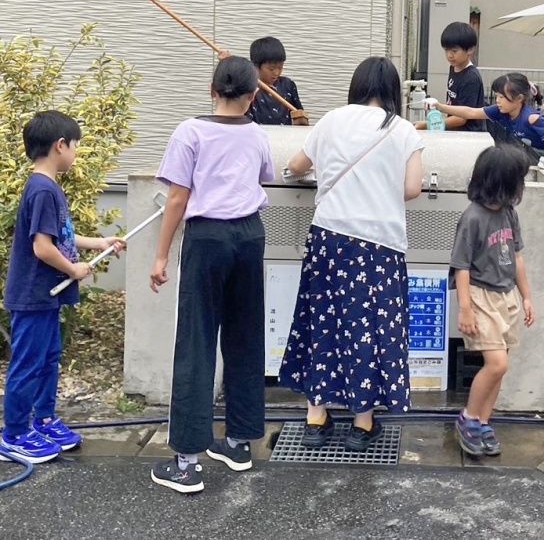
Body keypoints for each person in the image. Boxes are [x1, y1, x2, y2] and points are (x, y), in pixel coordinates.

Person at [280, 56, 424, 452]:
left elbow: (296, 165)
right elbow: (412, 188)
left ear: (356, 86)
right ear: (392, 90)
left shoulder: (331, 120)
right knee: (370, 329)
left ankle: (315, 419)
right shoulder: (402, 129)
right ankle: (362, 424)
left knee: (322, 322)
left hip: (329, 237)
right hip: (379, 245)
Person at [149, 56, 275, 494]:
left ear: (211, 90)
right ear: (253, 96)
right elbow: (262, 177)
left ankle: (186, 463)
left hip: (207, 237)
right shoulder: (257, 133)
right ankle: (239, 443)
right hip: (250, 234)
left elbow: (177, 198)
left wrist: (161, 256)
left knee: (197, 340)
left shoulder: (190, 132)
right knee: (244, 336)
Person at [0, 111, 124, 464]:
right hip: (34, 295)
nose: (76, 153)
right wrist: (74, 269)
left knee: (48, 358)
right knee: (29, 362)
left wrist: (98, 244)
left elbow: (61, 236)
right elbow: (42, 247)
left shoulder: (48, 187)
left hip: (45, 296)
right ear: (59, 145)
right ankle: (14, 435)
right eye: (75, 146)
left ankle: (43, 420)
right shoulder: (42, 190)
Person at [450, 144, 535, 456]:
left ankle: (484, 421)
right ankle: (469, 418)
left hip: (506, 295)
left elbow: (517, 257)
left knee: (500, 366)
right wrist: (465, 309)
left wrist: (526, 297)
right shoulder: (472, 218)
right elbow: (460, 266)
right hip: (481, 295)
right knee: (497, 363)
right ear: (503, 181)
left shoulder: (509, 214)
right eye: (519, 180)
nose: (521, 186)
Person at [427, 73, 544, 180]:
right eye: (496, 96)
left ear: (519, 98)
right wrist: (440, 107)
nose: (497, 100)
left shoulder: (531, 118)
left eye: (502, 97)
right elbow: (471, 112)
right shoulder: (500, 111)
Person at [414, 22, 486, 131]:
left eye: (454, 51)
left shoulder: (471, 78)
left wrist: (427, 125)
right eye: (446, 50)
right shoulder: (453, 67)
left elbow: (462, 118)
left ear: (470, 50)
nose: (449, 55)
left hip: (469, 134)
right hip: (455, 130)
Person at [247, 36, 305, 125]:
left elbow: (298, 113)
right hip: (257, 132)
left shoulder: (288, 85)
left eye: (280, 67)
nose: (276, 73)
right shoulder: (247, 87)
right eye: (271, 69)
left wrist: (302, 121)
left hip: (285, 133)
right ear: (255, 65)